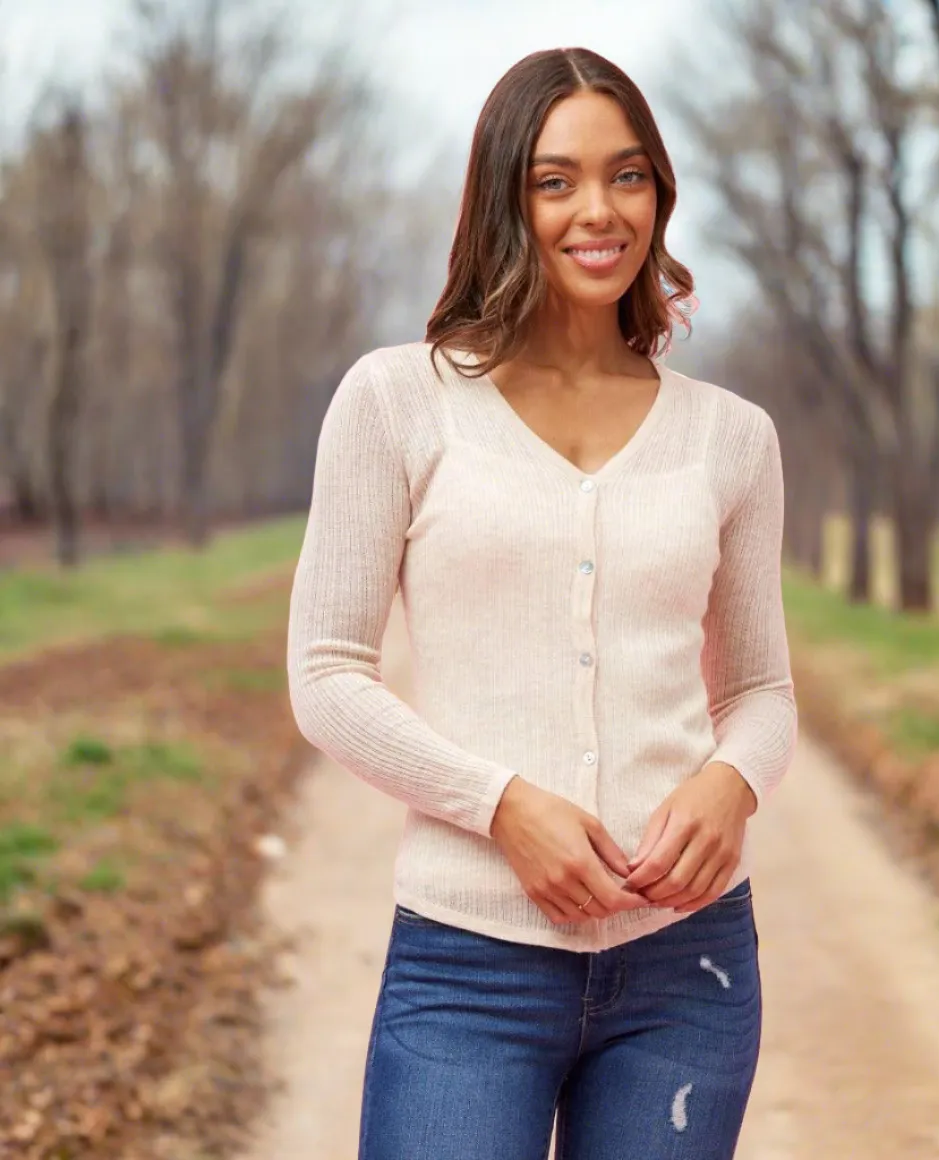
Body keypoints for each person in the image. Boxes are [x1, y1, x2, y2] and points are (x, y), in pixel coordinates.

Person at [286, 45, 797, 1160]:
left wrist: (730, 777)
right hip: (468, 963)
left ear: (659, 191)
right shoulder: (397, 401)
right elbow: (324, 673)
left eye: (627, 174)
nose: (597, 210)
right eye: (554, 180)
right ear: (503, 199)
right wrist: (498, 801)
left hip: (688, 969)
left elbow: (758, 686)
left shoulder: (731, 436)